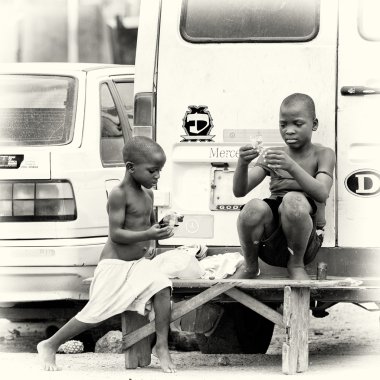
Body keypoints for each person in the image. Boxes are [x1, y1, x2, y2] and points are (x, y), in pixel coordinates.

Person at [37, 136, 176, 373]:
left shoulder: (148, 195)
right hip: (115, 265)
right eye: (152, 171)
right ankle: (50, 344)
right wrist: (148, 234)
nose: (157, 176)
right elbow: (117, 234)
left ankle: (161, 346)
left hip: (137, 264)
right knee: (96, 313)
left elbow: (149, 224)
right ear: (131, 168)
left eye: (159, 171)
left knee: (163, 287)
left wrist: (158, 235)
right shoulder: (119, 194)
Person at [232, 93, 335, 280]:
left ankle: (296, 265)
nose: (289, 130)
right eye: (283, 124)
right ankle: (250, 266)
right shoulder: (272, 155)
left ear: (314, 124)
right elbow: (240, 191)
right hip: (272, 242)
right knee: (252, 208)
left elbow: (322, 193)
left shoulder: (323, 154)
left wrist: (291, 166)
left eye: (297, 123)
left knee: (292, 200)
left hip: (306, 242)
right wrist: (242, 163)